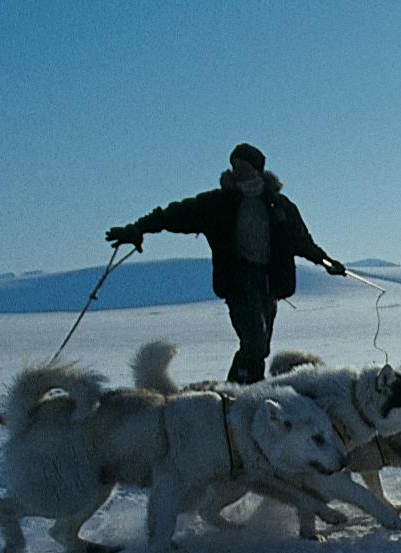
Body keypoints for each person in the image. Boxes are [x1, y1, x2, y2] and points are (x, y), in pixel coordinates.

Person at [107, 143, 346, 383]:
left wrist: (327, 262)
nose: (238, 170)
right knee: (253, 342)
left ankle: (244, 389)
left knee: (260, 348)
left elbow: (302, 242)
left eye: (243, 165)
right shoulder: (217, 203)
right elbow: (172, 215)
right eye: (235, 166)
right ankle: (239, 394)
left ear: (257, 169)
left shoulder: (279, 206)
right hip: (239, 280)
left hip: (269, 283)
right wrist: (137, 229)